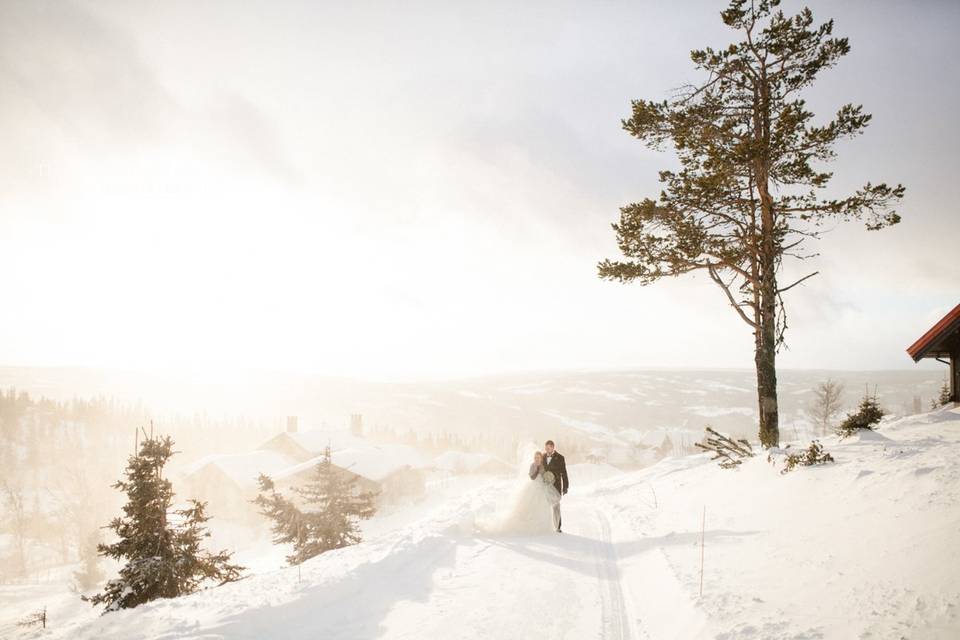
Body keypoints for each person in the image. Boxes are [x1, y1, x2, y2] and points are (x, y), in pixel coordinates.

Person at [480, 450, 560, 535]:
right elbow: (532, 477)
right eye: (536, 458)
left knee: (543, 507)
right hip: (534, 487)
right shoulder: (532, 465)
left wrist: (548, 478)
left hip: (542, 488)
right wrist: (537, 469)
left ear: (541, 458)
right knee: (530, 506)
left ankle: (543, 527)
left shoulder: (543, 466)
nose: (537, 459)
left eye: (539, 458)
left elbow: (544, 476)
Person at [542, 440, 569, 532]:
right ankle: (546, 526)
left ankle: (558, 527)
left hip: (556, 486)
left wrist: (565, 486)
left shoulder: (560, 458)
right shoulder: (543, 456)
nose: (547, 450)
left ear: (553, 447)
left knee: (556, 506)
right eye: (546, 448)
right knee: (545, 505)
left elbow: (564, 473)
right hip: (545, 486)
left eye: (548, 448)